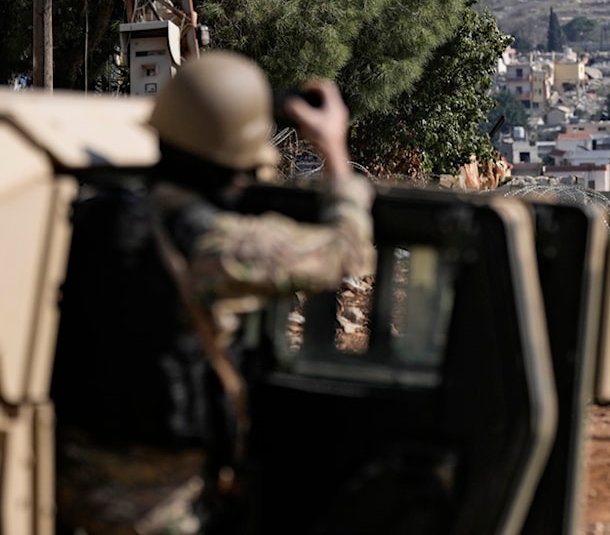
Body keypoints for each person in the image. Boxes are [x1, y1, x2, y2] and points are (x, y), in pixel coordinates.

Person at [51, 51, 376, 535]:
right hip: (157, 507)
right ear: (239, 162)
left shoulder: (91, 217)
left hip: (64, 485)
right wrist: (333, 147)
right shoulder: (217, 247)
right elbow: (347, 253)